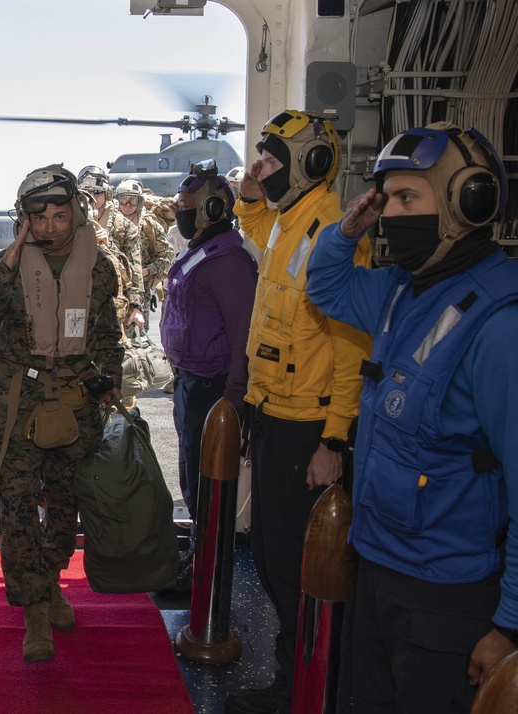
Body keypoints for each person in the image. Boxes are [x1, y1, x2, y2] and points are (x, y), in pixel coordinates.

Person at [306, 122, 518, 712]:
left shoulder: (501, 325)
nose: (393, 216)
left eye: (408, 199)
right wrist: (348, 229)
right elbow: (326, 287)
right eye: (387, 199)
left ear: (466, 203)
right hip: (376, 564)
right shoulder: (403, 291)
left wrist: (509, 627)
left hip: (446, 593)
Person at [225, 109, 373, 714]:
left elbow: (350, 351)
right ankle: (298, 682)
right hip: (273, 417)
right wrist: (251, 194)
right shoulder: (292, 224)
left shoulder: (334, 236)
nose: (263, 166)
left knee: (296, 567)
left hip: (307, 427)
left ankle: (307, 691)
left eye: (273, 159)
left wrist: (332, 443)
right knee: (271, 557)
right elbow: (259, 233)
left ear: (311, 165)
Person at [0, 164, 123, 664]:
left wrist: (109, 387)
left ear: (76, 210)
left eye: (59, 214)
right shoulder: (7, 266)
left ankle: (50, 582)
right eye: (39, 217)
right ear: (24, 220)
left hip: (76, 404)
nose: (50, 226)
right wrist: (8, 262)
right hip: (19, 404)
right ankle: (33, 610)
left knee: (64, 506)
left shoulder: (99, 267)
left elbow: (107, 337)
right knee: (17, 507)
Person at [159, 160, 257, 595]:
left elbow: (243, 336)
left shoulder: (228, 260)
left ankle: (205, 574)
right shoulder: (200, 249)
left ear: (214, 208)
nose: (180, 211)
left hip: (213, 389)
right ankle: (199, 555)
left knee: (207, 483)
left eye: (187, 205)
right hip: (190, 383)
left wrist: (233, 401)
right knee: (192, 476)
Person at [77, 165, 145, 332]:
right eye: (86, 193)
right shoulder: (69, 224)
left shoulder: (124, 227)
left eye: (97, 192)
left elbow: (134, 269)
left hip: (112, 304)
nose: (91, 197)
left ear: (107, 193)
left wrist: (135, 307)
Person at [115, 177, 175, 325]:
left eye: (133, 200)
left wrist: (146, 271)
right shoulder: (110, 225)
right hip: (114, 292)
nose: (128, 205)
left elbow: (168, 257)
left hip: (140, 295)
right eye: (124, 199)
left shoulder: (150, 226)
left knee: (138, 339)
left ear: (139, 202)